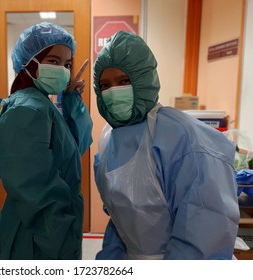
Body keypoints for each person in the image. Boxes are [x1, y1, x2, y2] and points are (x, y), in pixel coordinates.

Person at [93, 31, 240, 260]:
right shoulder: (107, 141)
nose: (113, 92)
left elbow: (203, 230)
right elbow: (121, 222)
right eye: (104, 85)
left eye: (124, 81)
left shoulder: (184, 137)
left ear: (144, 80)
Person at [0, 22, 93, 259]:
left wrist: (70, 98)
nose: (63, 69)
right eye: (53, 61)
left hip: (51, 228)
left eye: (67, 64)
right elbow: (34, 192)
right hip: (41, 236)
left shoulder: (42, 104)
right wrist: (58, 236)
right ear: (29, 60)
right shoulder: (28, 109)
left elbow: (74, 148)